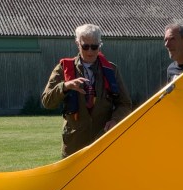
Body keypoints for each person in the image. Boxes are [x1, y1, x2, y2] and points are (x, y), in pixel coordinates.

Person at [41, 23, 133, 158]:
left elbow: (125, 104)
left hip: (103, 144)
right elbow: (47, 101)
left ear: (100, 45)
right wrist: (65, 86)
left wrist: (115, 120)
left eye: (94, 47)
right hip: (74, 146)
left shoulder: (111, 70)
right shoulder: (63, 68)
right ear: (77, 44)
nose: (90, 51)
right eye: (85, 46)